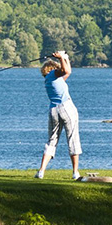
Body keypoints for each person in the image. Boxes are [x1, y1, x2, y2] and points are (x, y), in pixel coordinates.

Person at [35, 50, 82, 180]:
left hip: (53, 110)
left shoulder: (50, 79)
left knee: (52, 141)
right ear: (52, 68)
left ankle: (41, 171)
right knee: (72, 138)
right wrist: (61, 58)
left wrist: (65, 58)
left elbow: (68, 71)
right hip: (66, 108)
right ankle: (75, 172)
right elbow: (65, 70)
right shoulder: (53, 74)